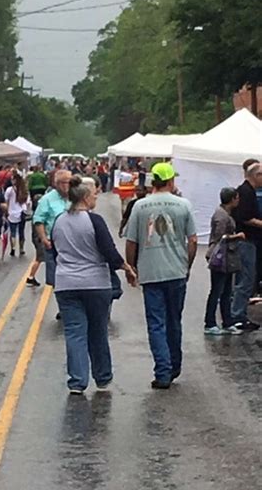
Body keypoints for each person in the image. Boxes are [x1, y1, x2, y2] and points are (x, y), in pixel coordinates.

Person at [52, 176, 137, 394]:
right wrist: (126, 267)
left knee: (74, 332)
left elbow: (55, 251)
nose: (96, 197)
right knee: (98, 331)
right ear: (85, 197)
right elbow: (108, 250)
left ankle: (77, 381)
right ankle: (102, 376)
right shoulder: (94, 221)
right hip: (95, 283)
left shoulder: (59, 221)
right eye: (94, 194)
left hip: (66, 284)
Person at [125, 162, 198, 389]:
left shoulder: (139, 206)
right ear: (170, 181)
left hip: (151, 272)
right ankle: (174, 365)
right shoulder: (184, 205)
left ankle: (163, 371)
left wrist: (131, 267)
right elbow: (193, 240)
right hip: (176, 271)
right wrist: (187, 264)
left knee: (156, 323)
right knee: (174, 320)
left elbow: (131, 241)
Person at [204, 188, 246, 335]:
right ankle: (210, 322)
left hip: (228, 258)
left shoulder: (225, 214)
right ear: (232, 199)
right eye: (237, 198)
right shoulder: (221, 216)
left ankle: (227, 321)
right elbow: (220, 237)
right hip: (220, 257)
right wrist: (237, 236)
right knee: (217, 290)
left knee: (226, 291)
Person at [231, 160, 262, 330]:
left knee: (248, 278)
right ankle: (237, 315)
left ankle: (238, 313)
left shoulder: (248, 191)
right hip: (246, 240)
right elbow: (245, 217)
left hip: (250, 240)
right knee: (246, 279)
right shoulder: (246, 192)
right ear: (257, 175)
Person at [33, 169, 72, 287]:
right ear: (57, 184)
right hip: (54, 243)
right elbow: (39, 220)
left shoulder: (74, 197)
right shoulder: (47, 199)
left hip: (72, 242)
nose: (68, 185)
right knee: (56, 281)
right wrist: (44, 239)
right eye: (65, 182)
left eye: (70, 182)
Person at [5, 174, 29, 257]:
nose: (11, 181)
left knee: (13, 232)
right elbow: (28, 203)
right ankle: (21, 248)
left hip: (12, 213)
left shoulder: (9, 190)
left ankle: (13, 248)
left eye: (12, 179)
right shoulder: (24, 190)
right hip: (22, 213)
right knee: (21, 232)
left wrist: (6, 211)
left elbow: (6, 201)